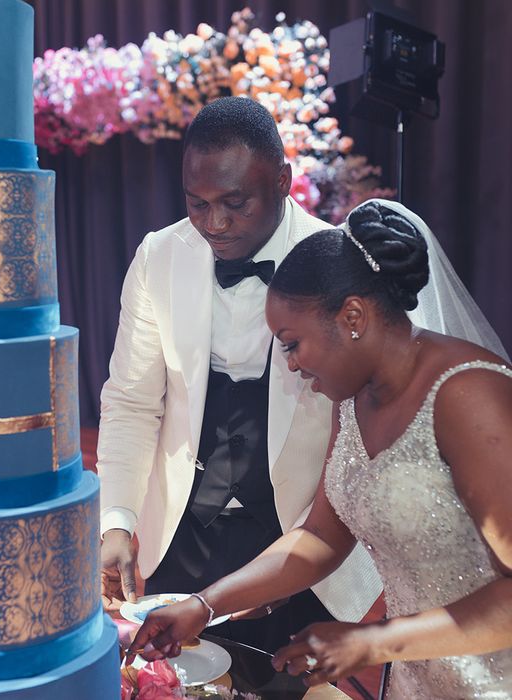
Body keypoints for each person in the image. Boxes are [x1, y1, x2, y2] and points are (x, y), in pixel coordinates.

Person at [127, 200, 512, 699]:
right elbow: (321, 540)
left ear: (352, 316)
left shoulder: (467, 396)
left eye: (291, 343)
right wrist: (204, 604)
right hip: (420, 673)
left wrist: (374, 641)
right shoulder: (351, 399)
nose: (288, 365)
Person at [97, 95, 382, 654]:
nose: (215, 223)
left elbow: (363, 432)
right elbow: (132, 401)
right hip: (181, 529)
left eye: (234, 202)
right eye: (197, 204)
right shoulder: (160, 256)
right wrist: (117, 519)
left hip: (298, 536)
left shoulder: (337, 263)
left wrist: (299, 559)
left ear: (283, 180)